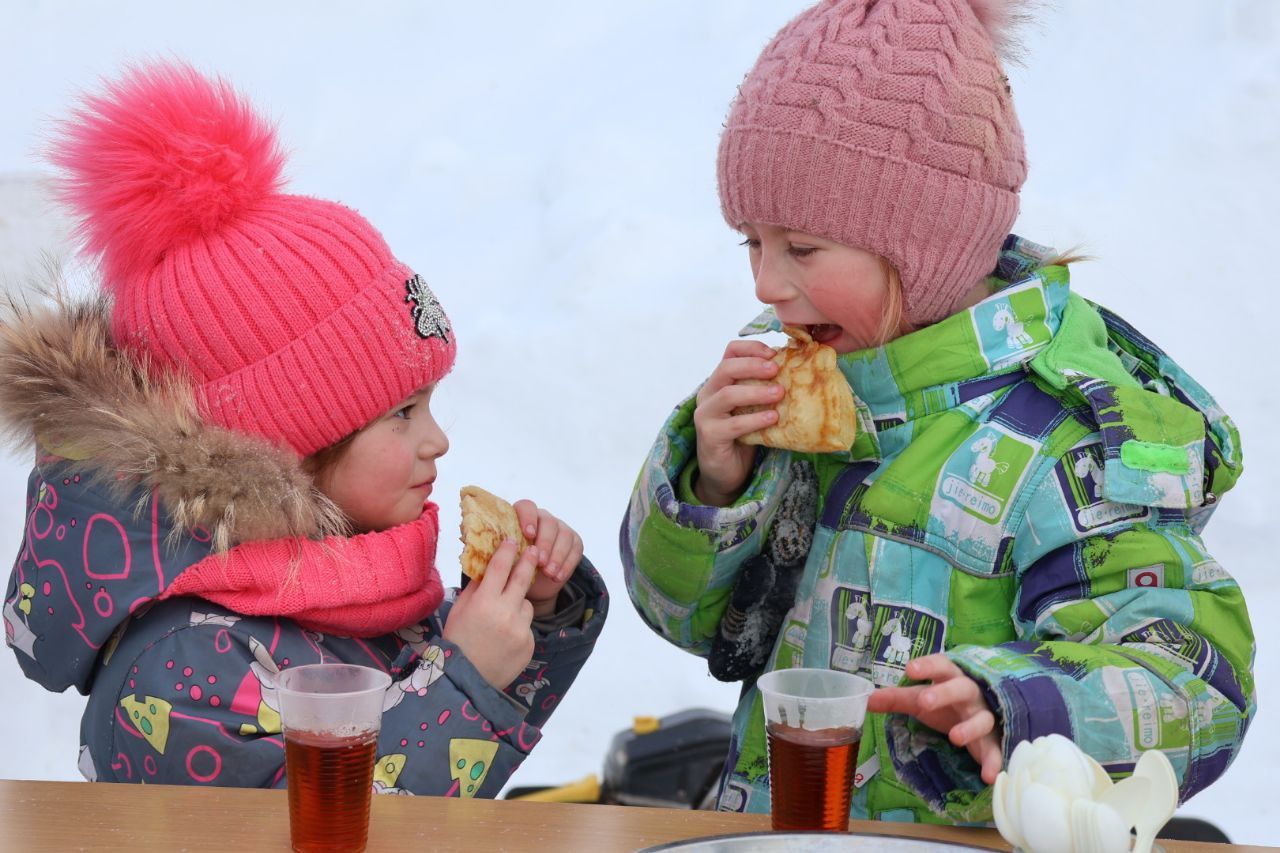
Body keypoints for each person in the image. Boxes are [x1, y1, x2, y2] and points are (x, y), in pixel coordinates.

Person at [621, 0, 1253, 824]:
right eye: (752, 241)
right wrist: (712, 488)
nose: (766, 284)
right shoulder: (797, 388)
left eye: (801, 248)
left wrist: (1018, 703)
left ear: (926, 246)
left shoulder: (1062, 442)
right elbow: (687, 622)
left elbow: (1196, 684)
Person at [0, 61, 607, 795]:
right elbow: (328, 829)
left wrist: (531, 618)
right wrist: (464, 676)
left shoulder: (346, 588)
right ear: (286, 440)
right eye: (401, 413)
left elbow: (451, 763)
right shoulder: (180, 667)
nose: (436, 439)